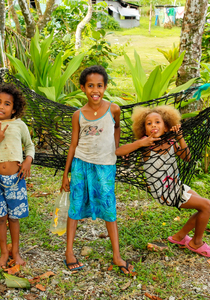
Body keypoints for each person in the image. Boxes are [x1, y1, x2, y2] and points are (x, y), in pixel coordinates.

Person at [115, 105, 210, 257]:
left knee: (204, 207)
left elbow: (187, 158)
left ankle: (179, 237)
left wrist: (180, 137)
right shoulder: (146, 143)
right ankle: (196, 243)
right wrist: (138, 144)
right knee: (207, 205)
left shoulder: (170, 142)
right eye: (149, 123)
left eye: (157, 122)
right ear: (144, 129)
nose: (153, 126)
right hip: (164, 192)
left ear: (166, 126)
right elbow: (118, 151)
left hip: (176, 186)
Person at [60, 65, 135, 274]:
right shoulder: (78, 115)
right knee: (75, 207)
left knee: (109, 208)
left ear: (105, 87)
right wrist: (66, 174)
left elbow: (117, 127)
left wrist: (116, 148)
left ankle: (117, 256)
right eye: (90, 86)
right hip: (81, 165)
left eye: (100, 86)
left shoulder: (114, 109)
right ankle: (69, 252)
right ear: (83, 88)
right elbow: (73, 144)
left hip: (105, 167)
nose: (95, 90)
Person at [0, 83, 35, 268]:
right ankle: (4, 253)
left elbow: (30, 145)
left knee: (14, 217)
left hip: (15, 180)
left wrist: (27, 161)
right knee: (0, 218)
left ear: (14, 109)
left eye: (7, 104)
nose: (1, 106)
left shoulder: (19, 125)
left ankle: (15, 252)